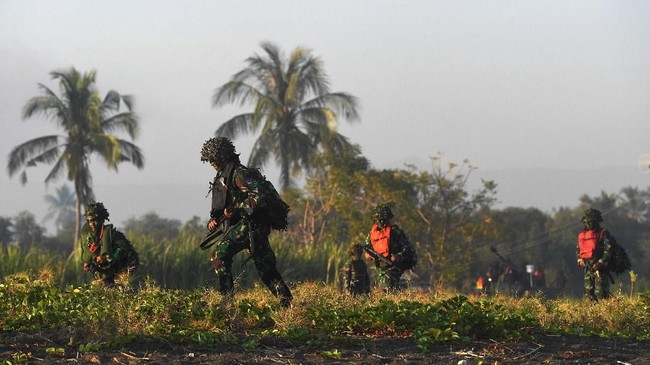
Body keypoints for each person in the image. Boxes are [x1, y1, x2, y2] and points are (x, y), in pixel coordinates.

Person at [201, 137, 293, 307]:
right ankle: (285, 301)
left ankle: (225, 301)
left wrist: (236, 209)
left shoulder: (240, 173)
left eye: (213, 160)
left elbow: (259, 195)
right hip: (247, 226)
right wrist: (215, 220)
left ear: (221, 157)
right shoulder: (224, 177)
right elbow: (225, 204)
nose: (212, 164)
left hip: (251, 225)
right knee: (265, 267)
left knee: (219, 254)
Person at [80, 202, 139, 287]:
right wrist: (87, 264)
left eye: (95, 220)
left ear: (101, 220)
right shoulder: (88, 239)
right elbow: (88, 260)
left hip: (117, 276)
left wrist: (108, 258)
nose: (92, 224)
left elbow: (130, 255)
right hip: (100, 279)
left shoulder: (114, 236)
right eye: (89, 221)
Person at [363, 203, 415, 292]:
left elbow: (407, 248)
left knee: (388, 287)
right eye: (378, 220)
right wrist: (368, 255)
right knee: (386, 287)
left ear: (388, 219)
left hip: (395, 265)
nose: (380, 222)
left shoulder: (395, 232)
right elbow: (367, 249)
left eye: (383, 220)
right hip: (380, 267)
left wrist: (398, 256)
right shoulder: (372, 235)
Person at [576, 208, 613, 301]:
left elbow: (608, 250)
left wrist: (601, 262)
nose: (588, 224)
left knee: (601, 293)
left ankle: (608, 311)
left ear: (596, 221)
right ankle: (593, 314)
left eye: (590, 222)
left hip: (600, 269)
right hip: (588, 267)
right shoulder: (583, 235)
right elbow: (578, 249)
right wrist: (580, 259)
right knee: (589, 294)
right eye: (586, 222)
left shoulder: (603, 233)